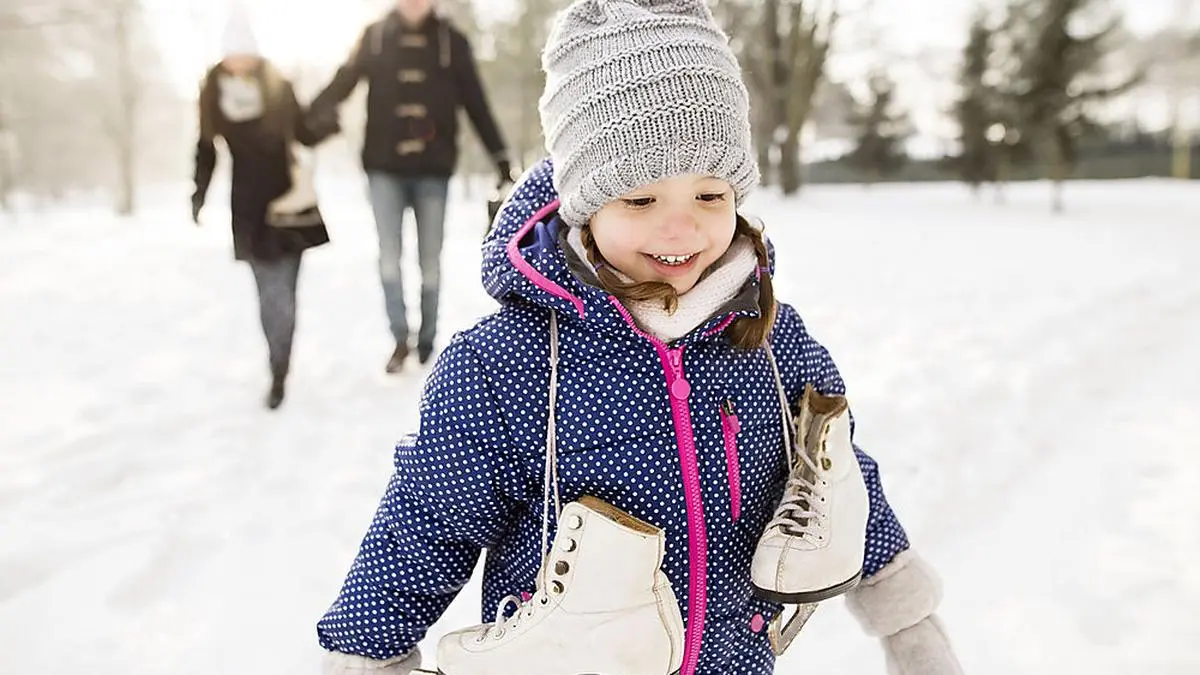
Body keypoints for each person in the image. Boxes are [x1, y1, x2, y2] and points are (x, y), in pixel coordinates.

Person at [315, 1, 964, 674]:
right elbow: (428, 518)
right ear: (584, 204)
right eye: (641, 200)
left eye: (710, 196)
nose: (680, 232)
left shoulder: (771, 338)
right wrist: (370, 653)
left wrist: (902, 608)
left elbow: (833, 468)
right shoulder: (505, 364)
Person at [308, 0, 514, 373]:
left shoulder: (452, 41)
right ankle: (399, 338)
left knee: (430, 262)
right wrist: (308, 117)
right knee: (389, 257)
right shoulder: (374, 37)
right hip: (383, 168)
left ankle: (427, 340)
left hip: (432, 171)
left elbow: (475, 102)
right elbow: (343, 81)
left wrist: (499, 156)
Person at [191, 7, 331, 410]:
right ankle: (277, 368)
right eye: (233, 54)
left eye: (246, 53)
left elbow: (304, 131)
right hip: (248, 208)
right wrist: (198, 194)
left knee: (284, 296)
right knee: (267, 296)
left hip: (288, 204)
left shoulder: (278, 85)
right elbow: (205, 149)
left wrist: (326, 119)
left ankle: (281, 363)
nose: (240, 62)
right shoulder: (212, 92)